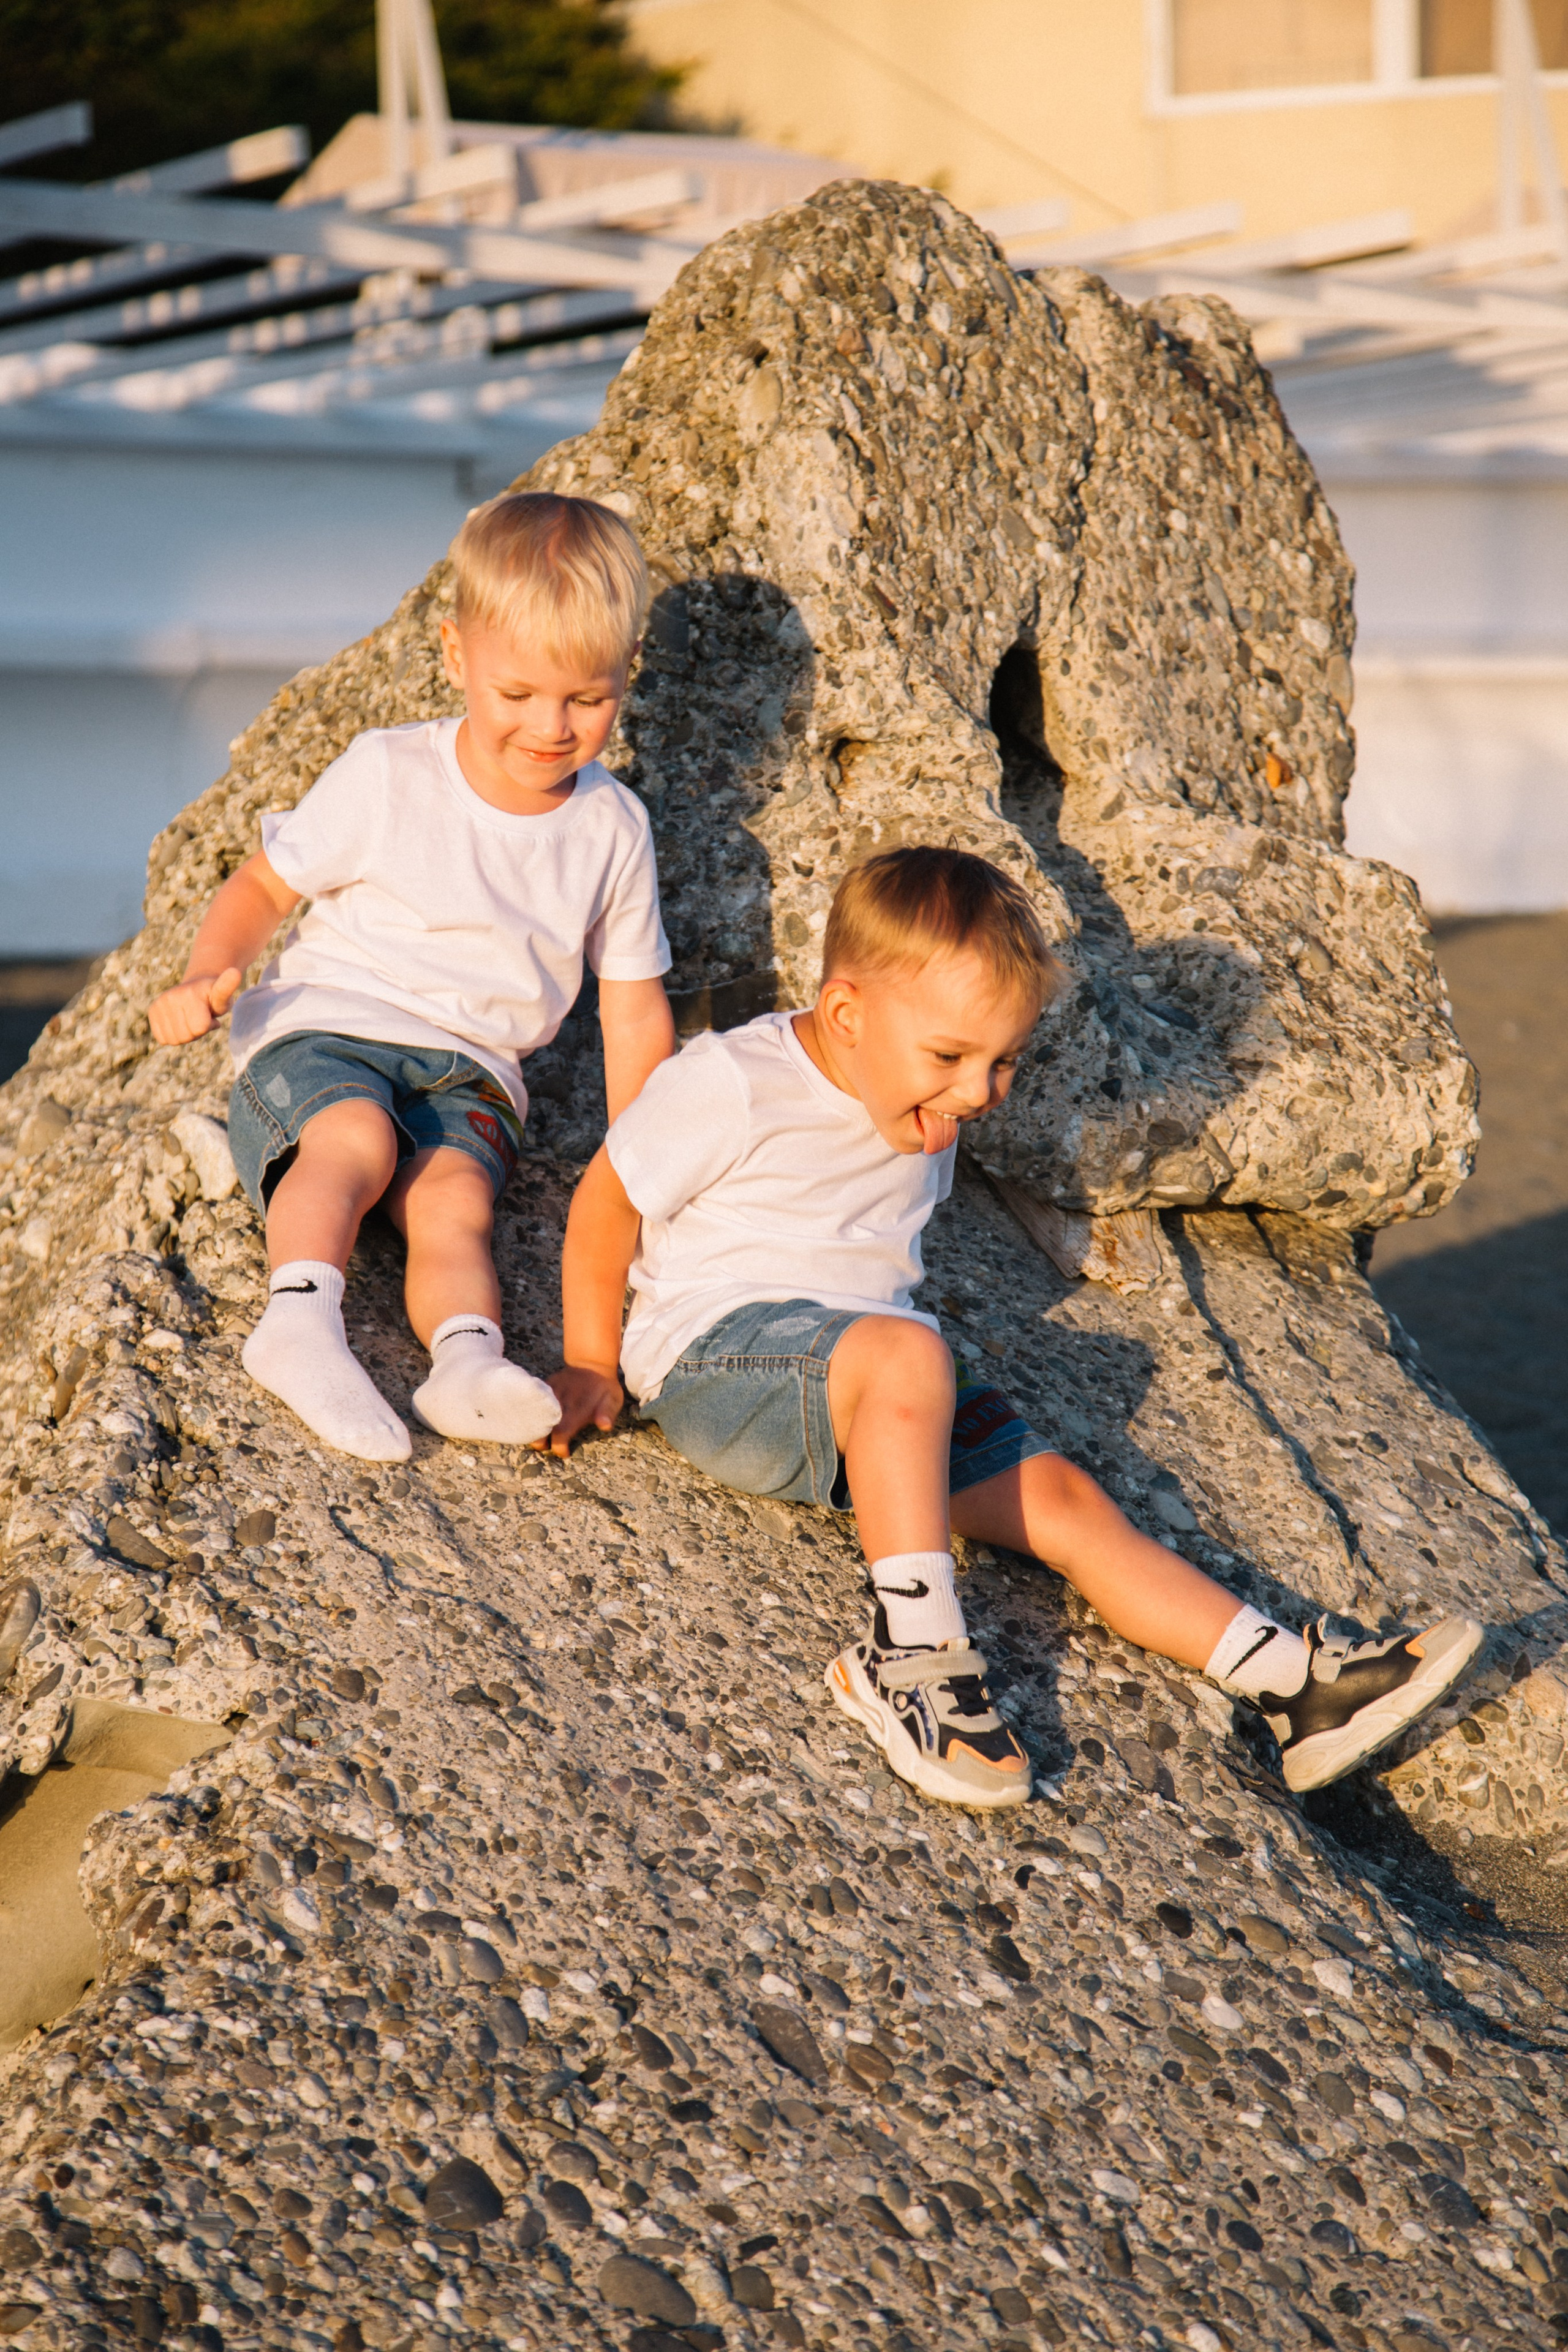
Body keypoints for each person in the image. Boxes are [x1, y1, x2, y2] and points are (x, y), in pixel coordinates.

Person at [543, 845, 1481, 1809]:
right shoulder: (735, 1081)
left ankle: (1293, 1685)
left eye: (1004, 1062)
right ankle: (911, 1659)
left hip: (874, 1395)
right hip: (723, 1364)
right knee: (912, 1353)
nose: (977, 1092)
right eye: (949, 1058)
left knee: (1065, 1501)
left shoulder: (920, 1102)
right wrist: (589, 1360)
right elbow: (607, 1202)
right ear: (847, 1015)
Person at [148, 491, 675, 1464]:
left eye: (586, 700)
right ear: (455, 655)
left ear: (626, 672)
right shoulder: (391, 774)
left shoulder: (612, 828)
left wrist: (646, 1159)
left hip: (472, 1071)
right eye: (517, 694)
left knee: (455, 1203)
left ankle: (466, 1364)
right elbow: (265, 884)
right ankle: (299, 1323)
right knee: (355, 1138)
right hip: (329, 1030)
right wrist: (211, 970)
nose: (550, 726)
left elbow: (634, 1010)